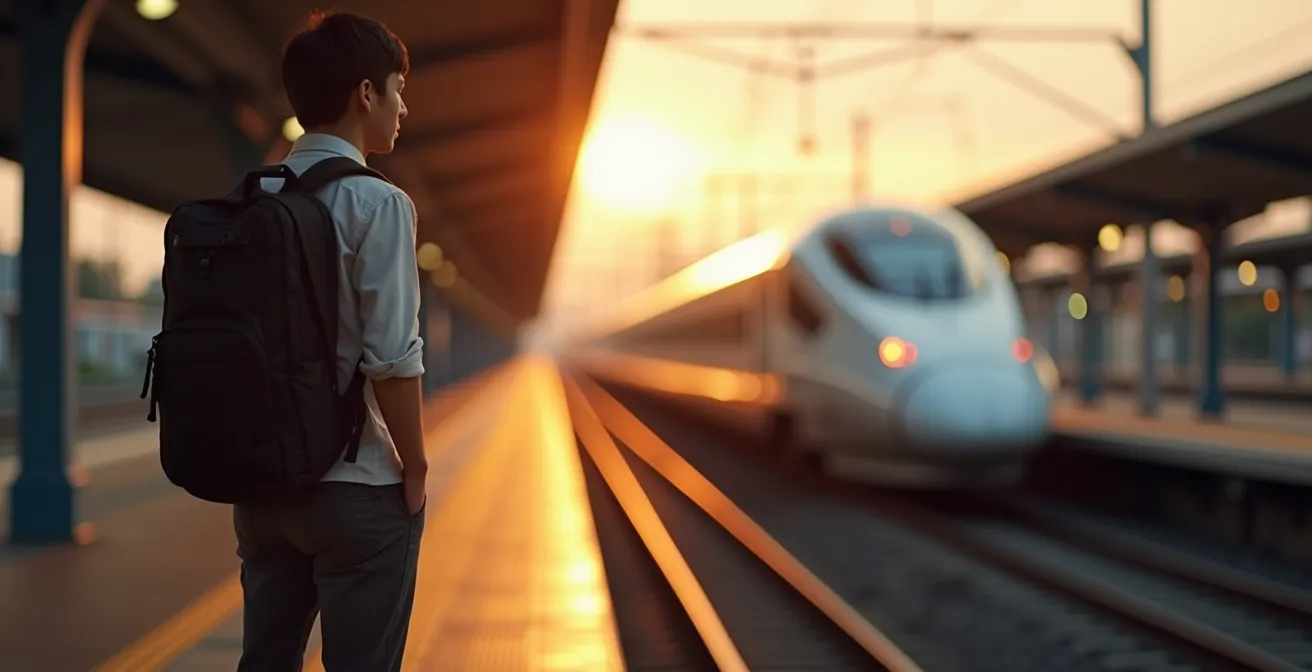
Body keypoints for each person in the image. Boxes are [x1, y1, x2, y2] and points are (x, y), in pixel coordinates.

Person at [233, 11, 428, 671]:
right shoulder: (379, 203)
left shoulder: (253, 198)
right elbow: (393, 359)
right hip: (355, 486)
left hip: (262, 489)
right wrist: (416, 466)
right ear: (366, 94)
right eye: (398, 89)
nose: (403, 108)